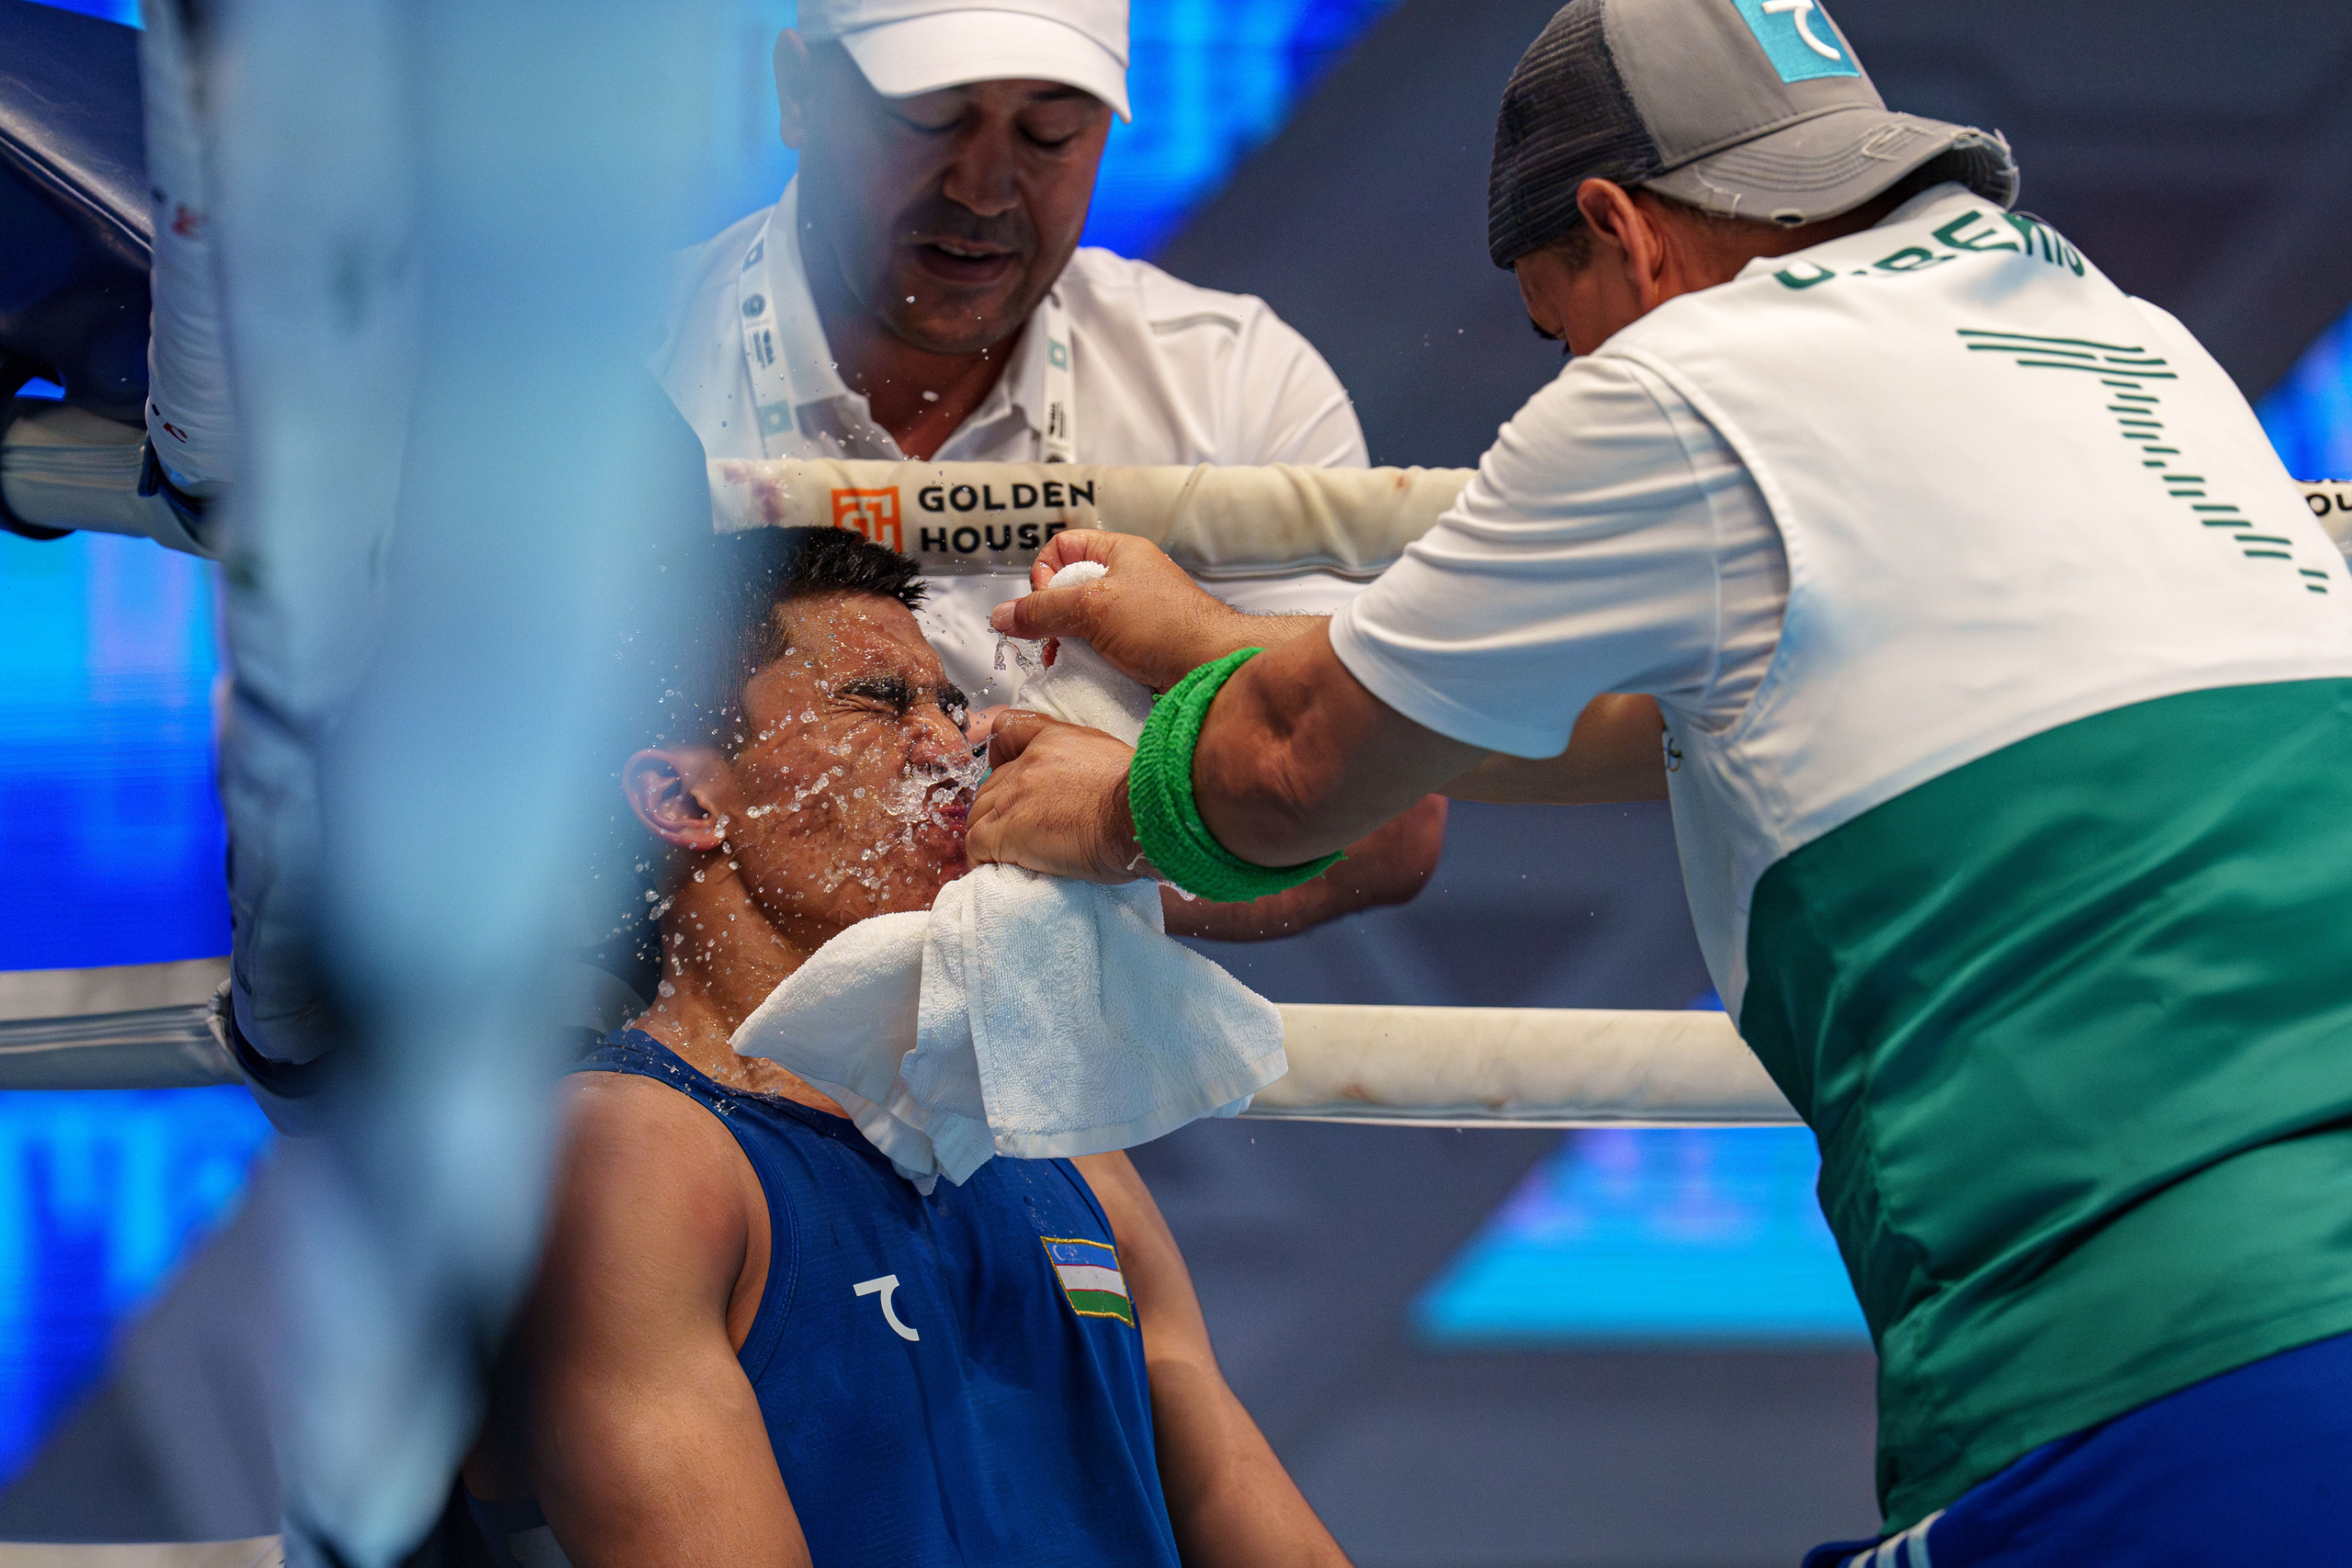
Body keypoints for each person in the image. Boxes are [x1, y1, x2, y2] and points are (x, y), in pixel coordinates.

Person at [967, 0, 2352, 1562]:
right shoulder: (2123, 339)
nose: (1567, 367)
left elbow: (1294, 771)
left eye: (1554, 327)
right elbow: (1679, 699)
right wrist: (1220, 638)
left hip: (2160, 1357)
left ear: (1622, 231)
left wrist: (1103, 806)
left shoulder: (1681, 384)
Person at [462, 525, 1351, 1568]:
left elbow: (1250, 1510)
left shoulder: (1055, 1136)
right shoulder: (632, 1158)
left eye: (947, 706)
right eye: (881, 705)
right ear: (684, 800)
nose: (950, 749)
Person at [654, 0, 1442, 941]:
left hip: (1069, 1039)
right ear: (797, 92)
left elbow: (1389, 823)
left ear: (1105, 130)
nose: (984, 188)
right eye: (931, 118)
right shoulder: (612, 371)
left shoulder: (1231, 383)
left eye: (1049, 133)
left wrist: (1113, 830)